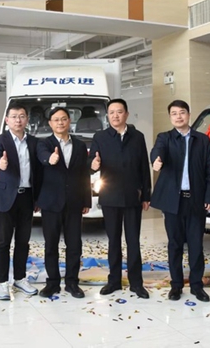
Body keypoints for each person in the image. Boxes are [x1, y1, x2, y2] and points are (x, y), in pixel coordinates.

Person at [150, 100, 210, 303]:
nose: (178, 116)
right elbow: (157, 151)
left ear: (188, 115)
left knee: (196, 245)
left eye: (182, 113)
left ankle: (197, 285)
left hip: (196, 200)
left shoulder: (202, 140)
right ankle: (176, 285)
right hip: (173, 201)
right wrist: (156, 160)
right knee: (175, 244)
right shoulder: (165, 138)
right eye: (174, 113)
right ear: (170, 117)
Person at [89, 98, 151, 299]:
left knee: (133, 241)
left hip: (132, 197)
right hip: (110, 196)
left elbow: (144, 167)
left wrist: (146, 194)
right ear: (107, 116)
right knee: (113, 241)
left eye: (119, 111)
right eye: (111, 112)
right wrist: (93, 164)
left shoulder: (137, 137)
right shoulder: (100, 137)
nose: (115, 115)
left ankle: (136, 283)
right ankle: (113, 281)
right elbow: (91, 162)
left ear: (126, 114)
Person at [0, 102, 43, 300]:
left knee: (23, 241)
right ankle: (3, 283)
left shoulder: (34, 142)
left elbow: (38, 172)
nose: (18, 120)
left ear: (27, 119)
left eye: (21, 116)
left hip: (27, 197)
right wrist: (0, 162)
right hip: (6, 198)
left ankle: (20, 278)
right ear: (7, 120)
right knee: (4, 242)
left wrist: (37, 198)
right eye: (14, 116)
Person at [36, 107, 91, 299]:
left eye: (64, 119)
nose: (60, 122)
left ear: (69, 121)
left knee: (74, 245)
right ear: (50, 123)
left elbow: (84, 174)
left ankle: (72, 282)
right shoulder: (44, 144)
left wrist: (86, 199)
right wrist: (50, 159)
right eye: (56, 120)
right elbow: (41, 161)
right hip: (51, 203)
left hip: (74, 202)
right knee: (51, 244)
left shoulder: (80, 145)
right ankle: (52, 283)